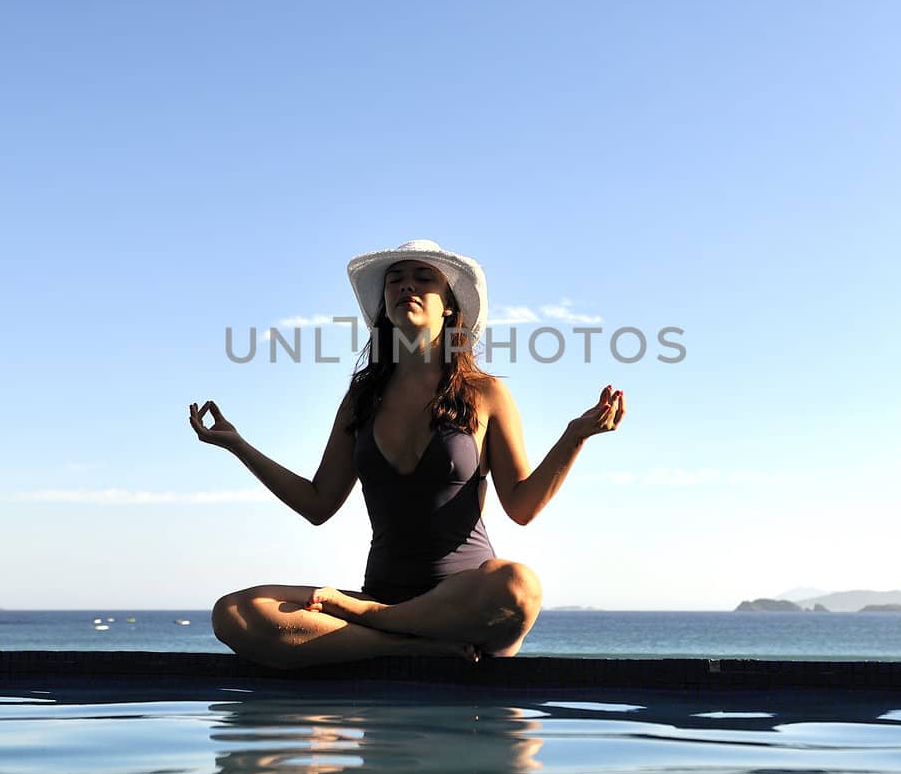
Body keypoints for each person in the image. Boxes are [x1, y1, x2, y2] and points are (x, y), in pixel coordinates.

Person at [189, 238, 625, 668]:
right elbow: (318, 502)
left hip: (463, 608)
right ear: (384, 305)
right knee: (233, 612)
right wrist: (237, 444)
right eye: (395, 280)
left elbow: (523, 506)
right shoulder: (362, 399)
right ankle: (400, 645)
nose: (406, 287)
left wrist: (575, 435)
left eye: (422, 278)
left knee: (519, 586)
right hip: (380, 598)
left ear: (449, 305)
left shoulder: (486, 394)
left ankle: (381, 626)